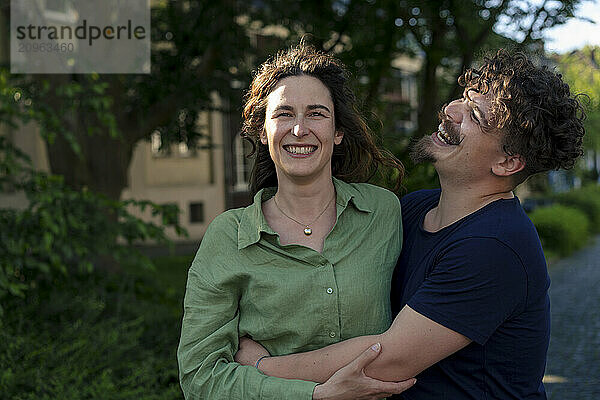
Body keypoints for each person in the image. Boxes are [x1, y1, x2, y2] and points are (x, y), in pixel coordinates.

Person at [235, 49, 586, 399]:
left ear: (508, 162)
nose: (451, 110)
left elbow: (387, 361)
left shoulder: (494, 246)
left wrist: (261, 367)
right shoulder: (413, 209)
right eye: (465, 97)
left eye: (475, 116)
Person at [177, 43, 415, 399]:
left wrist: (262, 368)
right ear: (263, 132)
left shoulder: (384, 212)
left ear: (338, 132)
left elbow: (418, 326)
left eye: (316, 114)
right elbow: (200, 376)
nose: (299, 129)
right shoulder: (229, 236)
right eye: (284, 114)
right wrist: (315, 396)